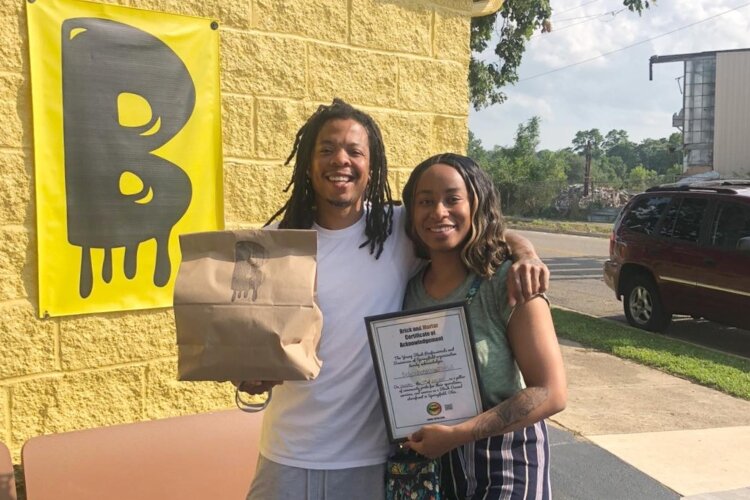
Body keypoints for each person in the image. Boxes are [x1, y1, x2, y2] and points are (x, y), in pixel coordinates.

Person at [238, 99, 549, 500]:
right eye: (327, 149)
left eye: (355, 151)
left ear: (372, 166)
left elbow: (470, 226)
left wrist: (526, 253)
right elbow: (257, 340)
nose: (341, 161)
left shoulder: (395, 228)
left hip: (370, 457)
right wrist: (250, 374)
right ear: (307, 161)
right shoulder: (280, 241)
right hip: (286, 450)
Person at [400, 153, 567, 500]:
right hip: (432, 463)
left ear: (477, 204)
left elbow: (551, 392)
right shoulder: (407, 288)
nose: (438, 212)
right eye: (425, 201)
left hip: (506, 462)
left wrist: (458, 434)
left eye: (452, 199)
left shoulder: (509, 282)